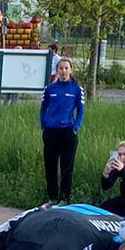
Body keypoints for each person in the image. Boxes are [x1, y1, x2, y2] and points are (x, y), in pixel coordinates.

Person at [39, 57, 85, 203]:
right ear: (57, 70)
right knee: (50, 167)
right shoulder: (50, 89)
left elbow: (81, 110)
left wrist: (75, 128)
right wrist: (44, 125)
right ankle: (52, 198)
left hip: (68, 132)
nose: (63, 71)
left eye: (66, 68)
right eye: (61, 68)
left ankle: (65, 199)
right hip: (51, 132)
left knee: (67, 168)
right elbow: (43, 108)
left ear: (71, 70)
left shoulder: (76, 89)